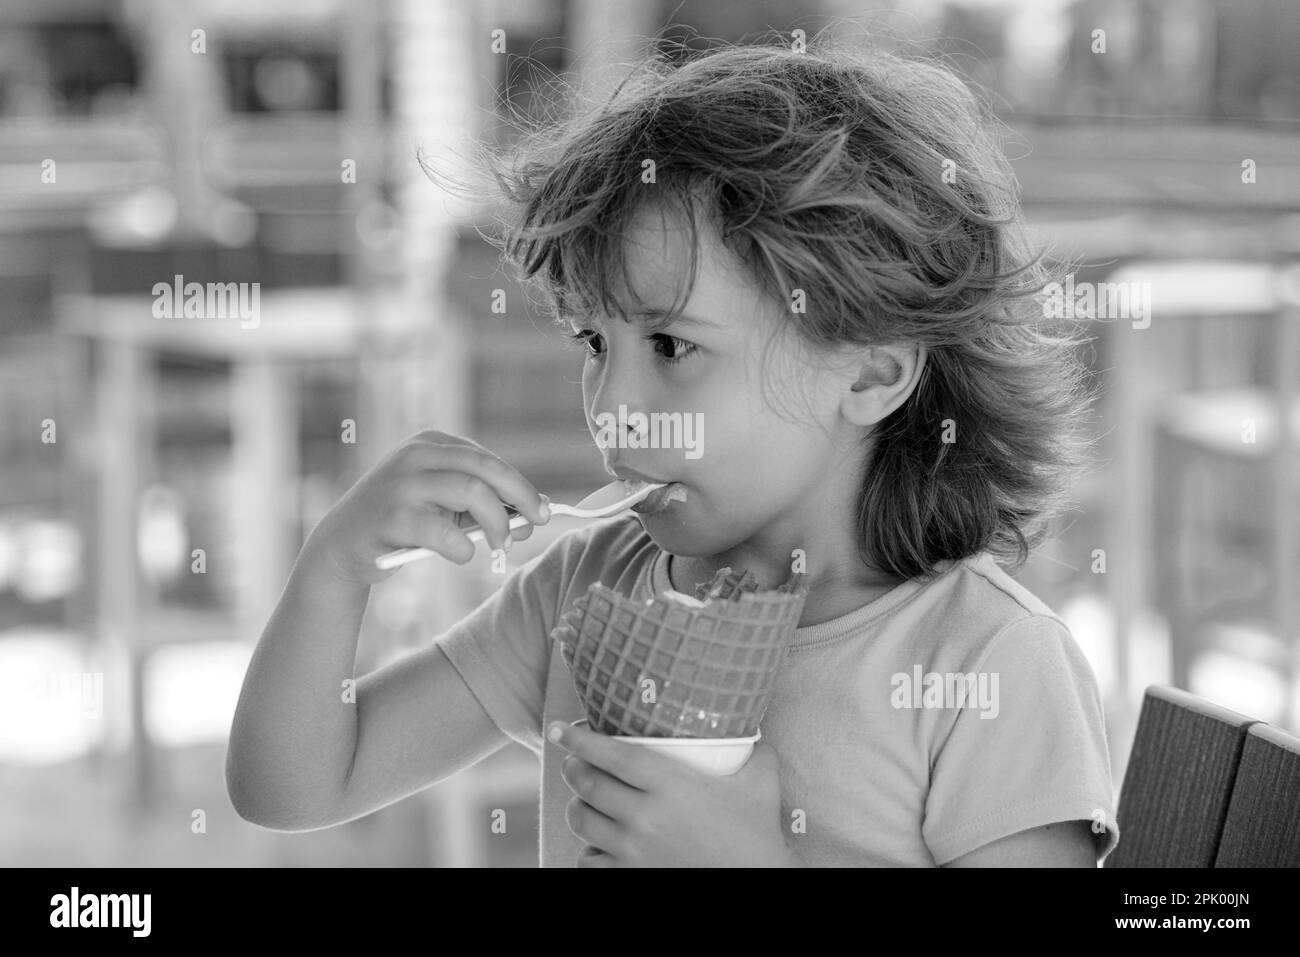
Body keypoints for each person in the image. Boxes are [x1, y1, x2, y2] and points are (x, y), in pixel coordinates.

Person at [226, 35, 1118, 867]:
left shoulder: (988, 664)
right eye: (592, 343)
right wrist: (338, 562)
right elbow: (296, 786)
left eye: (671, 346)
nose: (612, 405)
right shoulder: (587, 593)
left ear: (871, 372)